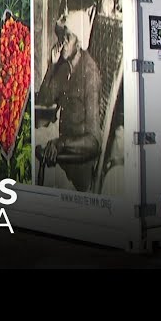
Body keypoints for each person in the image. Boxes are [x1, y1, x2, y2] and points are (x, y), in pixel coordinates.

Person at [36, 14, 101, 193]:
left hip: (75, 168)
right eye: (63, 36)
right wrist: (51, 66)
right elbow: (44, 101)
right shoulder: (66, 66)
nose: (63, 41)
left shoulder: (90, 75)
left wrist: (61, 144)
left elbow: (94, 142)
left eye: (69, 37)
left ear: (79, 43)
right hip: (61, 151)